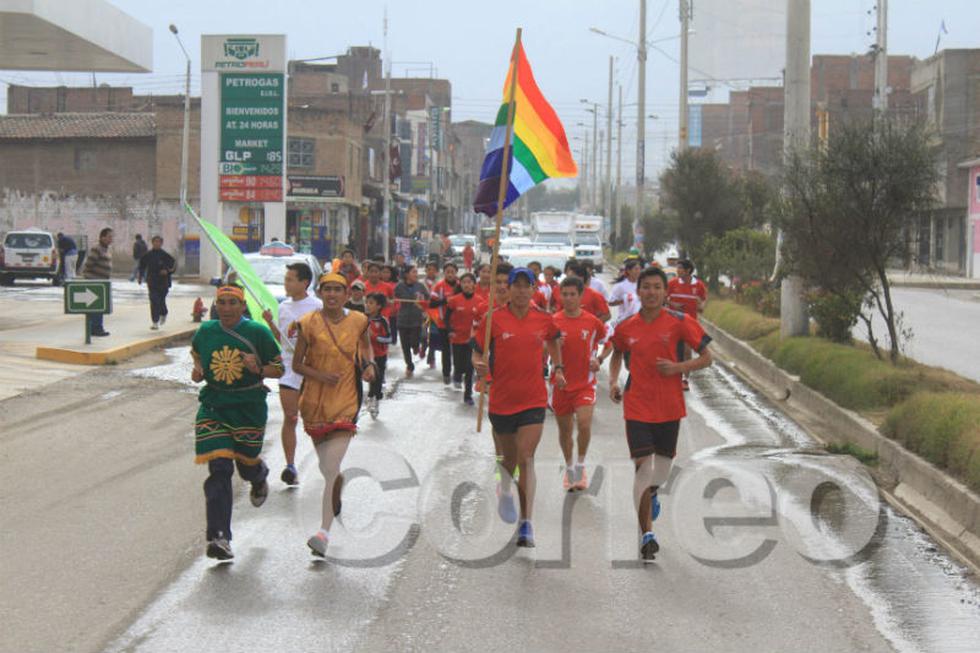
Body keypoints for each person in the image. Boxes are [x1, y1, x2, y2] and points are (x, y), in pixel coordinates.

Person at [608, 267, 713, 562]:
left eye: (657, 287)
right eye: (646, 287)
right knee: (643, 469)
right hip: (637, 405)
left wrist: (679, 368)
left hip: (669, 407)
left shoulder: (680, 322)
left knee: (661, 472)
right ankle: (647, 534)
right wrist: (613, 381)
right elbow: (616, 353)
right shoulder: (627, 326)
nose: (651, 292)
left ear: (665, 292)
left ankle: (653, 493)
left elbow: (707, 358)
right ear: (637, 292)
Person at [473, 267, 565, 548]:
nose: (523, 290)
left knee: (527, 457)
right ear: (509, 289)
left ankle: (526, 523)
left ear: (534, 289)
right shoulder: (493, 319)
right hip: (502, 401)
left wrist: (558, 367)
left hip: (534, 399)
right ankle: (504, 491)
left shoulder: (544, 319)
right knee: (508, 461)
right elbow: (477, 349)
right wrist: (479, 365)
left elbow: (553, 339)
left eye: (528, 285)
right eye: (517, 285)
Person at [191, 284, 284, 560]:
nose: (228, 308)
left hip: (248, 408)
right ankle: (219, 537)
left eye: (234, 303)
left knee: (245, 467)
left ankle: (258, 475)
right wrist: (198, 372)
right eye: (223, 303)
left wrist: (258, 368)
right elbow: (198, 357)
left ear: (243, 306)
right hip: (214, 406)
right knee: (219, 470)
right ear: (216, 306)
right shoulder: (206, 331)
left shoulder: (258, 333)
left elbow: (279, 368)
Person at [292, 272, 377, 558]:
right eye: (327, 289)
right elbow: (297, 365)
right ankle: (335, 483)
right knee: (328, 469)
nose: (332, 295)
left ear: (345, 294)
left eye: (337, 290)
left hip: (346, 399)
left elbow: (365, 347)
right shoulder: (308, 323)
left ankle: (323, 532)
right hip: (314, 402)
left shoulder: (359, 320)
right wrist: (320, 375)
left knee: (331, 463)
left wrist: (368, 365)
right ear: (320, 292)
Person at [261, 262, 322, 487]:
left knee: (315, 422)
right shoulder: (283, 307)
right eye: (285, 279)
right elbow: (283, 340)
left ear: (304, 282)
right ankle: (290, 465)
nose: (286, 283)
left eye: (290, 279)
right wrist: (270, 324)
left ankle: (326, 463)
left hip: (311, 370)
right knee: (291, 416)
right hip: (288, 370)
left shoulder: (317, 306)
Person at [551, 276, 605, 492]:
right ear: (560, 296)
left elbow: (608, 341)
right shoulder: (553, 321)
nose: (569, 298)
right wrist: (554, 346)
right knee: (565, 431)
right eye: (565, 294)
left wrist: (598, 359)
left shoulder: (592, 321)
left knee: (583, 424)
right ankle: (570, 467)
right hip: (561, 385)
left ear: (581, 296)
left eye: (573, 294)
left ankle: (581, 466)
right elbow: (542, 349)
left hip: (585, 384)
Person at [667, 259, 708, 391]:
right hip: (672, 323)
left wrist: (700, 306)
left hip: (689, 324)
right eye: (677, 268)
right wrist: (673, 305)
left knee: (687, 351)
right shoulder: (672, 284)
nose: (677, 271)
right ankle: (672, 377)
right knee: (671, 351)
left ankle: (685, 380)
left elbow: (703, 303)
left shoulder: (699, 285)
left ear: (688, 271)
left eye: (680, 268)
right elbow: (662, 298)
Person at [445, 272, 480, 405]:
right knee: (459, 366)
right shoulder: (454, 300)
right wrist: (450, 331)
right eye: (464, 282)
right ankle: (457, 374)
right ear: (461, 284)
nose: (467, 284)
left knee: (470, 368)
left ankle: (468, 395)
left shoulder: (480, 301)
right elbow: (447, 318)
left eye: (469, 282)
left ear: (474, 285)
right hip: (457, 338)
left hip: (472, 340)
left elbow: (483, 320)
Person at [393, 266, 428, 378]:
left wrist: (423, 304)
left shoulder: (421, 286)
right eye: (413, 272)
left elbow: (427, 298)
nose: (416, 274)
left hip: (416, 319)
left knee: (414, 340)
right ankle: (409, 365)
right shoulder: (399, 287)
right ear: (407, 274)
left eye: (416, 272)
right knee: (405, 346)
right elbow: (394, 297)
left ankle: (416, 346)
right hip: (402, 319)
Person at [429, 261, 460, 384]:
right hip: (442, 324)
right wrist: (445, 300)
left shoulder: (460, 285)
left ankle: (457, 374)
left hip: (459, 324)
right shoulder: (439, 286)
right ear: (444, 273)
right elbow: (432, 303)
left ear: (456, 273)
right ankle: (446, 374)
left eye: (452, 272)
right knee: (446, 350)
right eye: (448, 272)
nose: (450, 274)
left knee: (458, 351)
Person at [138, 236, 176, 330]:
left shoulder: (165, 255)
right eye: (155, 242)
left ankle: (164, 313)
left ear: (161, 243)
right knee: (154, 300)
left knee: (161, 301)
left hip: (163, 282)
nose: (157, 243)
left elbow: (173, 266)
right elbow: (142, 265)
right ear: (152, 243)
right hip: (152, 281)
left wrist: (167, 271)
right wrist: (140, 276)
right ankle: (155, 321)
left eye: (159, 242)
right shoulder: (148, 255)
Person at [365, 292, 393, 418]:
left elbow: (388, 339)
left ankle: (374, 398)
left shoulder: (383, 321)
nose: (368, 305)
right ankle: (371, 397)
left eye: (371, 303)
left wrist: (375, 337)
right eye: (367, 302)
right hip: (365, 354)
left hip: (379, 355)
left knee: (377, 378)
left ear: (379, 306)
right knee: (369, 377)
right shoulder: (362, 318)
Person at [82, 227, 113, 337]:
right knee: (96, 307)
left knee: (99, 307)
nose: (111, 239)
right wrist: (91, 278)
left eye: (111, 237)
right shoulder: (97, 249)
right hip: (95, 282)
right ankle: (96, 328)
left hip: (102, 283)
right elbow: (88, 265)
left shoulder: (105, 249)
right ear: (102, 237)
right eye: (109, 237)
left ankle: (96, 327)